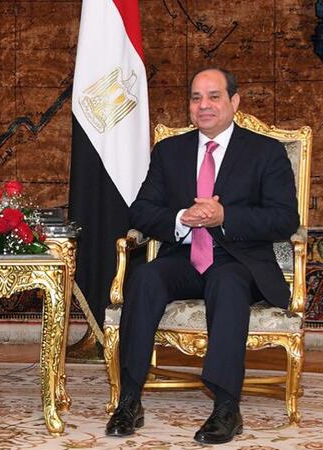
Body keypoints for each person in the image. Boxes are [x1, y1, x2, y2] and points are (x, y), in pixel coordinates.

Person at [105, 68, 299, 444]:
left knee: (226, 282)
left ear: (234, 102)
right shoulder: (169, 151)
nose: (204, 105)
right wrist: (181, 218)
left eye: (214, 96)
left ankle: (226, 407)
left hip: (239, 260)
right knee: (145, 277)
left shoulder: (265, 151)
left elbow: (284, 219)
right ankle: (129, 399)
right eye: (196, 98)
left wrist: (226, 216)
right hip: (184, 255)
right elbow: (140, 211)